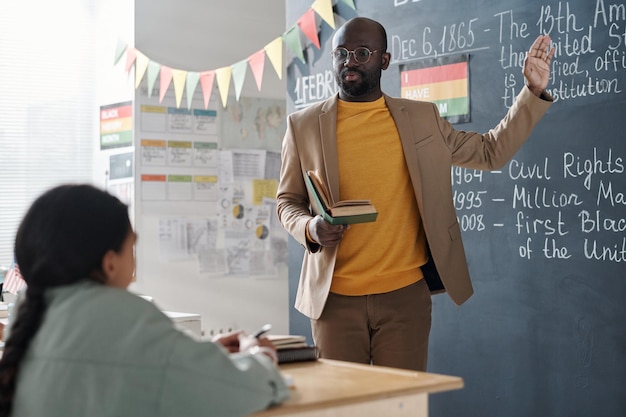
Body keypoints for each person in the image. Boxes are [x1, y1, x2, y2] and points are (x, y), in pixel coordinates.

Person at [276, 17, 555, 371]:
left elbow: (490, 152)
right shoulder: (302, 125)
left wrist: (531, 93)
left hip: (404, 298)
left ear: (385, 60)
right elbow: (287, 201)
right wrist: (309, 228)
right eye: (341, 53)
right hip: (334, 300)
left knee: (401, 406)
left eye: (362, 52)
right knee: (342, 407)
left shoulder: (422, 118)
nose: (350, 61)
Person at [0, 184, 289, 417]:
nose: (135, 265)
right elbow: (249, 390)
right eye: (132, 249)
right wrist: (259, 355)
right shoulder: (127, 318)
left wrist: (192, 355)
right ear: (110, 263)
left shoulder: (28, 317)